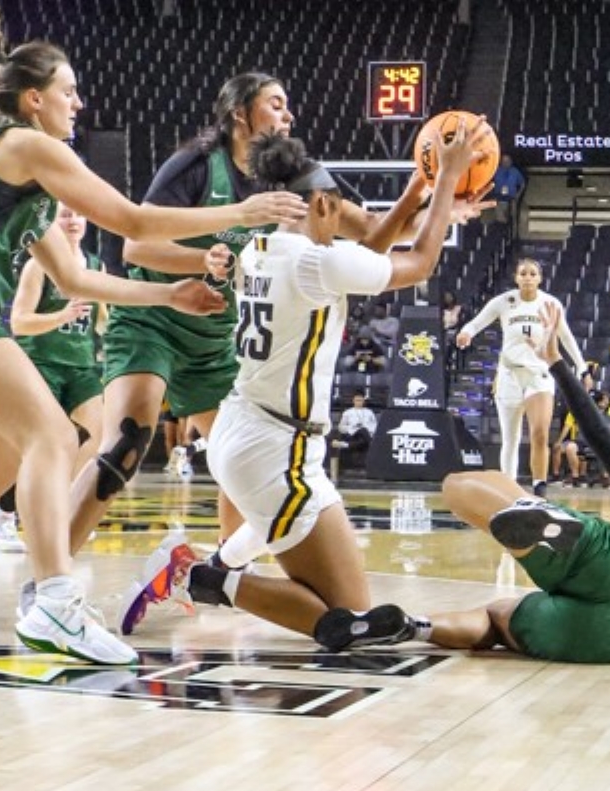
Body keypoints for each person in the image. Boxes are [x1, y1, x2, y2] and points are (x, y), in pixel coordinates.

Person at [0, 1, 306, 667]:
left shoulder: (29, 181)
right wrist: (244, 209)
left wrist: (168, 291)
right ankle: (55, 601)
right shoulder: (30, 145)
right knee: (55, 437)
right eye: (69, 91)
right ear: (35, 100)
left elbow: (81, 281)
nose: (79, 103)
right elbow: (134, 221)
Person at [58, 72, 490, 571]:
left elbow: (372, 231)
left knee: (236, 463)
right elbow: (137, 245)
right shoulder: (197, 165)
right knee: (128, 441)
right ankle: (51, 581)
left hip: (217, 336)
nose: (289, 116)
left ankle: (221, 576)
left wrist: (438, 200)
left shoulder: (292, 176)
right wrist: (205, 261)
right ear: (240, 113)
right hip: (154, 318)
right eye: (276, 105)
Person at [116, 126, 477, 641]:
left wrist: (420, 188)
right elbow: (418, 262)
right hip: (275, 450)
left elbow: (370, 250)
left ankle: (212, 561)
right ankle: (195, 576)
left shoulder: (253, 246)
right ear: (325, 204)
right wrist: (447, 181)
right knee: (348, 618)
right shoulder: (316, 262)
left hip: (252, 430)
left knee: (280, 524)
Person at [313, 303, 610, 663]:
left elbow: (602, 436)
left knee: (457, 485)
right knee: (497, 619)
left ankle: (534, 513)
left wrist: (556, 363)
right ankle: (416, 627)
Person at [0, 202, 108, 554]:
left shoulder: (96, 266)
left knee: (97, 439)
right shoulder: (39, 265)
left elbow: (100, 320)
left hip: (82, 364)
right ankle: (3, 518)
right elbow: (19, 323)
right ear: (52, 220)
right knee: (36, 447)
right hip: (43, 363)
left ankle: (63, 508)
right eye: (65, 214)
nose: (73, 221)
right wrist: (62, 315)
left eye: (79, 215)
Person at [456, 258, 586, 497]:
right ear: (516, 278)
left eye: (532, 273)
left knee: (539, 433)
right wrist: (466, 333)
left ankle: (539, 488)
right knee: (511, 438)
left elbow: (566, 337)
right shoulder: (504, 301)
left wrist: (581, 366)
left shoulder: (550, 303)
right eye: (523, 273)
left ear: (540, 278)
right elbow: (477, 323)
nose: (527, 277)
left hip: (539, 374)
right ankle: (510, 490)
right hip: (508, 373)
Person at [554, 389, 610, 488]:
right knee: (570, 447)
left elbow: (607, 435)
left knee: (605, 450)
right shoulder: (581, 413)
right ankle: (575, 477)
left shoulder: (608, 418)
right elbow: (568, 426)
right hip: (581, 442)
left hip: (597, 445)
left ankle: (604, 477)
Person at [333, 390, 377, 470]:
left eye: (360, 400)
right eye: (357, 400)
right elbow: (341, 427)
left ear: (363, 401)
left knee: (364, 431)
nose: (359, 402)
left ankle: (346, 445)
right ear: (353, 401)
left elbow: (374, 426)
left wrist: (366, 429)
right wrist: (352, 427)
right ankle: (371, 446)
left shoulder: (369, 412)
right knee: (364, 432)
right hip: (353, 435)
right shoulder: (348, 412)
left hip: (365, 434)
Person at [490, 153, 525, 226]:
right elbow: (490, 183)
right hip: (499, 199)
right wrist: (492, 195)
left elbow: (522, 184)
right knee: (500, 219)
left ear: (511, 162)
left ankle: (513, 233)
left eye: (507, 161)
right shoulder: (496, 171)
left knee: (513, 218)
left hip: (512, 199)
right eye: (504, 161)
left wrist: (518, 195)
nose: (505, 163)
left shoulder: (515, 172)